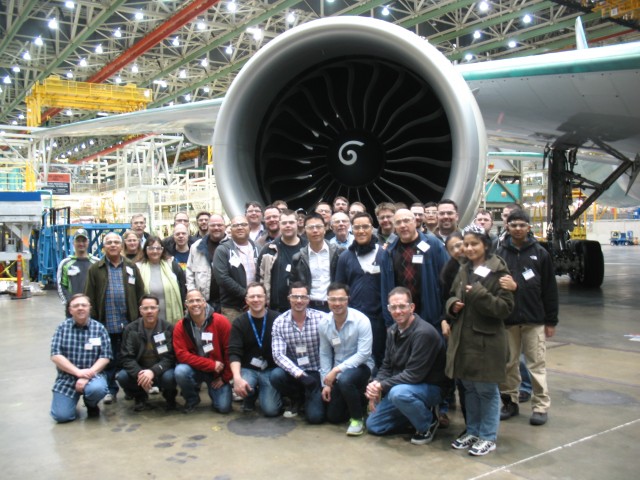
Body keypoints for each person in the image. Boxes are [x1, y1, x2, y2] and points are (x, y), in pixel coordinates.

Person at [445, 224, 514, 456]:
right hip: (464, 339)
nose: (469, 248)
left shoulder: (499, 271)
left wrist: (478, 294)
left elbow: (505, 308)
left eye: (474, 243)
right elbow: (453, 294)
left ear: (485, 245)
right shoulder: (463, 268)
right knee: (469, 388)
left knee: (486, 389)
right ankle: (472, 430)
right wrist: (452, 305)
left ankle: (487, 435)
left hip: (487, 342)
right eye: (466, 244)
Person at [497, 210, 559, 426]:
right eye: (513, 225)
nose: (517, 229)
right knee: (508, 364)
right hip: (508, 320)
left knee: (536, 364)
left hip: (534, 320)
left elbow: (549, 290)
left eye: (522, 225)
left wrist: (551, 321)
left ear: (529, 227)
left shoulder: (540, 254)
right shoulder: (499, 254)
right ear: (507, 226)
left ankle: (540, 406)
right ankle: (509, 401)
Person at [365, 287, 447, 445]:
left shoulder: (424, 333)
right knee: (374, 426)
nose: (398, 311)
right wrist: (375, 385)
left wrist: (381, 386)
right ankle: (414, 414)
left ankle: (427, 422)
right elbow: (387, 366)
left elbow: (414, 375)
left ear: (412, 307)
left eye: (402, 306)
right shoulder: (392, 331)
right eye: (393, 307)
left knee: (398, 394)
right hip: (403, 387)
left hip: (430, 387)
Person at [85, 232, 144, 403]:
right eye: (109, 242)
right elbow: (90, 296)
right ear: (104, 246)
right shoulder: (95, 269)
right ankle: (110, 390)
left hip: (128, 323)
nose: (112, 245)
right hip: (106, 323)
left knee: (129, 358)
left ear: (121, 246)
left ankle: (131, 389)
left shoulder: (131, 266)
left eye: (116, 242)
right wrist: (93, 321)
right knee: (108, 359)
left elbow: (140, 292)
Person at [319, 283, 374, 436]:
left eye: (341, 299)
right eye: (333, 299)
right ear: (327, 300)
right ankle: (361, 401)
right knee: (333, 417)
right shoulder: (324, 323)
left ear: (348, 299)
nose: (337, 303)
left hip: (362, 367)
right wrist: (326, 383)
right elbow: (324, 353)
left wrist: (336, 370)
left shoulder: (361, 320)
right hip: (337, 372)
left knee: (345, 380)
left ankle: (357, 419)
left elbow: (364, 353)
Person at [335, 212, 388, 368]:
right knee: (357, 360)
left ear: (372, 228)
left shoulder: (384, 255)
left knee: (379, 356)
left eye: (365, 226)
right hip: (353, 320)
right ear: (352, 230)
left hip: (379, 319)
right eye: (357, 227)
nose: (361, 231)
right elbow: (339, 288)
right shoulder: (345, 257)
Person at [381, 208, 448, 329]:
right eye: (398, 222)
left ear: (415, 221)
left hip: (431, 318)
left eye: (406, 220)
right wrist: (389, 323)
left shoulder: (433, 245)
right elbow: (385, 289)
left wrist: (445, 317)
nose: (403, 225)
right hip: (401, 319)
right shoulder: (389, 252)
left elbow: (447, 280)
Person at [50, 294, 111, 422]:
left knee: (97, 389)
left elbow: (105, 356)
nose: (80, 308)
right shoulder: (62, 328)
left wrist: (86, 375)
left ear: (89, 308)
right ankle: (69, 403)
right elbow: (55, 355)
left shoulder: (99, 328)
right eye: (76, 306)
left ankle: (91, 404)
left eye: (84, 305)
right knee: (61, 417)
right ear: (70, 310)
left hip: (93, 375)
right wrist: (77, 372)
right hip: (67, 378)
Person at [270, 282, 325, 423]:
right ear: (289, 298)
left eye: (303, 297)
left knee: (315, 418)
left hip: (316, 372)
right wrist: (300, 375)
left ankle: (309, 397)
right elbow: (278, 355)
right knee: (276, 375)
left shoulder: (322, 319)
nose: (299, 301)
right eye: (295, 297)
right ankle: (296, 398)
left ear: (308, 299)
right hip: (294, 372)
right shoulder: (279, 322)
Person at [173, 290, 233, 414]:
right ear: (186, 305)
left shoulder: (221, 321)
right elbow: (181, 355)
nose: (195, 304)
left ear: (204, 303)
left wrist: (225, 378)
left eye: (198, 300)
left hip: (218, 372)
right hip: (197, 368)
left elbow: (230, 351)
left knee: (223, 408)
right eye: (191, 301)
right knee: (180, 371)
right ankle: (192, 398)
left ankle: (215, 392)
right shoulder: (180, 326)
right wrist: (210, 364)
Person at [116, 295, 178, 411]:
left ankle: (170, 397)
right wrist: (140, 374)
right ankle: (140, 397)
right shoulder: (130, 329)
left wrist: (153, 371)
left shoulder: (168, 328)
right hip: (140, 368)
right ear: (140, 310)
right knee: (122, 376)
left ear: (158, 310)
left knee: (170, 377)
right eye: (145, 308)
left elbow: (170, 357)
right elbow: (126, 357)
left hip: (161, 369)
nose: (149, 311)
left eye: (152, 308)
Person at [229, 282, 282, 416]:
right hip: (248, 369)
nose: (256, 300)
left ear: (265, 298)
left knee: (271, 411)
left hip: (270, 370)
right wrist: (236, 378)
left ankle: (271, 394)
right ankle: (250, 396)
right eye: (252, 297)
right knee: (244, 384)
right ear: (246, 300)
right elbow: (234, 352)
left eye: (259, 296)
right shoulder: (239, 322)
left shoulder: (277, 319)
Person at [291, 213, 344, 312]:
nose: (315, 230)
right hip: (309, 307)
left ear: (325, 229)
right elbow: (294, 284)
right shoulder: (298, 258)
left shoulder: (339, 253)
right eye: (311, 227)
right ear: (305, 231)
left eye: (318, 227)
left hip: (334, 305)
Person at [257, 209, 307, 312]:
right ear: (279, 224)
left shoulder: (307, 248)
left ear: (297, 223)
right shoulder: (269, 249)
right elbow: (259, 276)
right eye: (284, 223)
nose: (288, 225)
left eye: (291, 222)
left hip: (304, 306)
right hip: (276, 308)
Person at [213, 215, 259, 321]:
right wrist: (247, 295)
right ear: (230, 229)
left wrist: (255, 297)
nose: (240, 227)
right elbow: (222, 278)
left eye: (243, 224)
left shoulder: (259, 248)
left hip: (257, 304)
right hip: (233, 308)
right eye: (236, 225)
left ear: (249, 228)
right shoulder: (222, 250)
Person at [135, 235, 186, 325]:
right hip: (147, 317)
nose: (155, 251)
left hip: (170, 317)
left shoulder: (172, 266)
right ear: (145, 250)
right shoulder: (138, 268)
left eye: (158, 248)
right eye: (151, 248)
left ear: (162, 250)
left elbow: (182, 288)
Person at [186, 214, 227, 310]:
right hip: (203, 303)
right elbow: (189, 273)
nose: (216, 228)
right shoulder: (196, 247)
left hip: (227, 303)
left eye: (219, 225)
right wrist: (193, 294)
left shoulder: (233, 245)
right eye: (213, 225)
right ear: (208, 227)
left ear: (225, 226)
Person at [57, 228, 99, 314]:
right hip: (74, 309)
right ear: (73, 243)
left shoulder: (96, 262)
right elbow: (61, 286)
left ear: (88, 242)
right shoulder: (66, 263)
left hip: (93, 309)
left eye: (84, 241)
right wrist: (69, 304)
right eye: (78, 241)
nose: (81, 244)